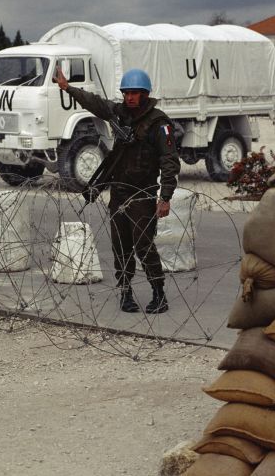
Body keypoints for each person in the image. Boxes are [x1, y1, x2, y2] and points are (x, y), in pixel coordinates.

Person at [54, 66, 180, 313]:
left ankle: (158, 292)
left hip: (142, 193)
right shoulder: (119, 113)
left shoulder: (158, 123)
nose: (130, 97)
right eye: (126, 93)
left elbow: (169, 161)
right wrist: (68, 88)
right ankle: (125, 292)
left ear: (145, 94)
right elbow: (95, 103)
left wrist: (165, 197)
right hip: (119, 193)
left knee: (143, 246)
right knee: (120, 247)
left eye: (135, 93)